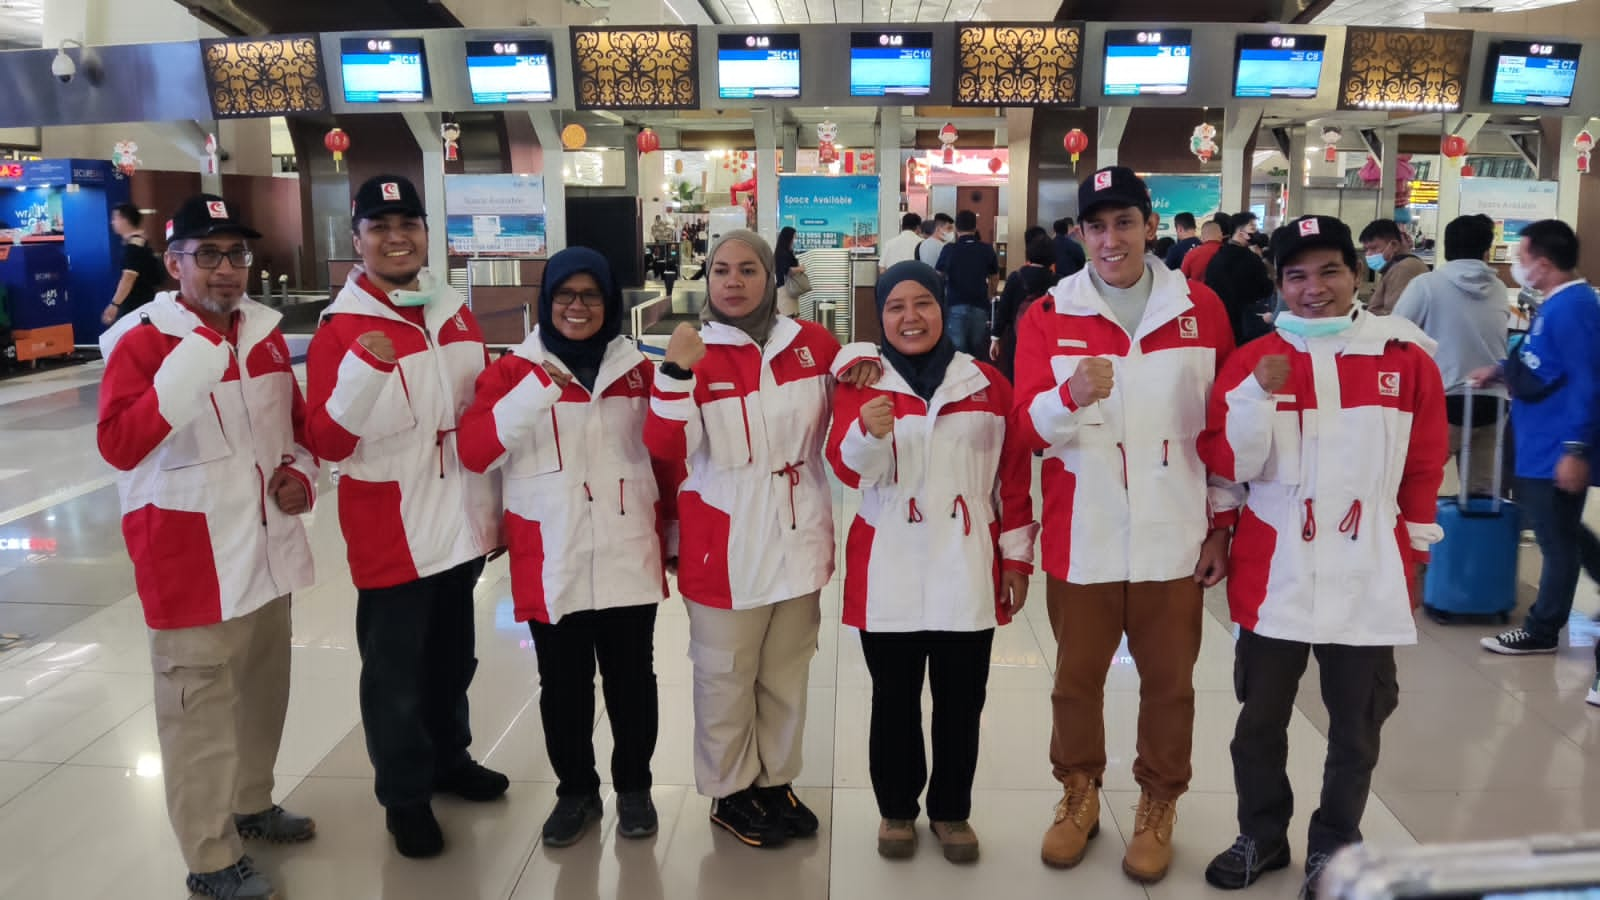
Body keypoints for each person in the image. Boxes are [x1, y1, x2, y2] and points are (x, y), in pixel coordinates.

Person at [1198, 214, 1447, 898]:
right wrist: (1256, 397)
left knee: (1357, 727)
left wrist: (1417, 553)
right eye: (1297, 276)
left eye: (1330, 271)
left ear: (1357, 273)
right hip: (1274, 567)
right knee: (1258, 722)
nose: (1315, 289)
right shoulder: (1251, 361)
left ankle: (1336, 845)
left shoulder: (1404, 356)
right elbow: (1224, 462)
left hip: (1367, 566)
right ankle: (1264, 833)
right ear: (1278, 284)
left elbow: (1425, 465)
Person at [1014, 167, 1237, 885]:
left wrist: (1221, 525)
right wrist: (1067, 395)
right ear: (1079, 234)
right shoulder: (1049, 313)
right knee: (1076, 680)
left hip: (1175, 530)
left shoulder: (1199, 308)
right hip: (1086, 530)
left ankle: (1157, 802)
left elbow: (1225, 425)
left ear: (1149, 224)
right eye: (1096, 226)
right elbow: (1024, 427)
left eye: (1125, 223)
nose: (1111, 240)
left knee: (1170, 682)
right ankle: (1077, 793)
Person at [96, 194, 318, 900]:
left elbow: (298, 431)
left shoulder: (267, 334)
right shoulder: (140, 339)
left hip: (264, 551)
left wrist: (303, 477)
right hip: (189, 560)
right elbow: (121, 445)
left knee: (262, 692)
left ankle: (252, 802)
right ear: (174, 263)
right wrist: (194, 359)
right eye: (209, 255)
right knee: (198, 714)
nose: (227, 271)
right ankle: (211, 858)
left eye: (237, 255)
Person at [644, 229, 877, 848]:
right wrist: (672, 373)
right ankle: (729, 788)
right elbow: (664, 449)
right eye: (721, 270)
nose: (734, 282)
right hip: (724, 541)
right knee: (725, 674)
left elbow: (853, 384)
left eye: (749, 270)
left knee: (786, 671)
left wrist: (861, 358)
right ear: (708, 278)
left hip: (798, 532)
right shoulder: (693, 350)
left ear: (771, 278)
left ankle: (774, 781)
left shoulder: (809, 343)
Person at [304, 175, 508, 859]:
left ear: (426, 233)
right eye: (380, 225)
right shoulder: (340, 329)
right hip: (392, 530)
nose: (396, 237)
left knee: (454, 659)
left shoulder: (453, 311)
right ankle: (405, 796)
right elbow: (327, 442)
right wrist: (363, 369)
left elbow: (476, 413)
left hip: (459, 521)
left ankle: (450, 760)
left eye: (409, 224)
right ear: (357, 239)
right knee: (395, 675)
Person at [458, 246, 681, 847]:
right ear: (545, 300)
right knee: (563, 684)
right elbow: (475, 451)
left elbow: (665, 455)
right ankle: (575, 792)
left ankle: (634, 788)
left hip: (626, 545)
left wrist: (675, 537)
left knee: (634, 679)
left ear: (609, 302)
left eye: (590, 295)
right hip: (550, 551)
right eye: (565, 295)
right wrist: (536, 391)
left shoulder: (639, 368)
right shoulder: (509, 372)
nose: (577, 307)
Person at [827, 260, 1038, 864]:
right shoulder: (860, 383)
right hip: (888, 557)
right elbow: (846, 471)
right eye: (895, 306)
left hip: (965, 562)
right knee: (892, 697)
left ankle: (951, 810)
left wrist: (1016, 559)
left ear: (942, 308)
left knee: (961, 698)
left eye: (922, 304)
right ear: (881, 316)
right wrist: (867, 434)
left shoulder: (987, 383)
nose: (909, 317)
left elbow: (1013, 477)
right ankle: (896, 808)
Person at [1473, 220, 1600, 656]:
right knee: (1559, 528)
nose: (1515, 265)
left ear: (1542, 264)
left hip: (1556, 446)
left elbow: (1587, 382)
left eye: (1520, 256)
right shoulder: (1558, 304)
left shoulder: (1575, 308)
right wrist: (1500, 370)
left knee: (1555, 539)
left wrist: (1575, 450)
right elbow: (1544, 363)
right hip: (1539, 442)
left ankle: (1542, 630)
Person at [1392, 213, 1510, 496]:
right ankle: (1475, 540)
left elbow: (1395, 334)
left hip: (1444, 400)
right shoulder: (1500, 289)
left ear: (1445, 248)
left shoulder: (1427, 285)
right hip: (1495, 401)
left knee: (1410, 481)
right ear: (1486, 250)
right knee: (1481, 494)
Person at [990, 233, 1060, 381]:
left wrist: (995, 338)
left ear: (1029, 254)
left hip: (1017, 338)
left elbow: (1004, 309)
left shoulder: (1016, 277)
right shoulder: (1058, 281)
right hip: (1047, 340)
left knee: (1015, 377)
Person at [935, 210, 999, 357]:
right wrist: (990, 295)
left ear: (956, 228)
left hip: (955, 304)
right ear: (975, 227)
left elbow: (938, 275)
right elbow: (994, 276)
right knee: (977, 351)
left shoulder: (949, 249)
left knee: (958, 353)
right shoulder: (986, 249)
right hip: (980, 305)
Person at [1205, 215, 1276, 345]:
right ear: (1240, 232)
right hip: (1247, 323)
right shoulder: (1251, 259)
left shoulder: (1217, 257)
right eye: (1253, 228)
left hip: (1219, 320)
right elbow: (1265, 289)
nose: (1256, 233)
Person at [101, 202, 165, 325]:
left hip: (134, 305)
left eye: (115, 218)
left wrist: (115, 304)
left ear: (125, 220)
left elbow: (128, 277)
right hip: (143, 302)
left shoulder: (133, 247)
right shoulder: (141, 241)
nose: (112, 222)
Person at [1360, 218, 1428, 316]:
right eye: (1366, 249)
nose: (1369, 254)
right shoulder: (1397, 267)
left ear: (1394, 245)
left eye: (1374, 248)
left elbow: (1395, 317)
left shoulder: (1404, 269)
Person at [1181, 217, 1227, 282]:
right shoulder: (1230, 253)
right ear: (1221, 234)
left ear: (1202, 236)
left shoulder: (1191, 254)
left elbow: (1182, 279)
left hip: (1198, 291)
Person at [774, 226, 805, 317]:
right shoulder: (783, 253)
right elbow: (786, 270)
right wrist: (800, 268)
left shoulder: (786, 252)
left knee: (793, 316)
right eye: (794, 237)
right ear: (788, 237)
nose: (795, 240)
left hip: (789, 290)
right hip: (785, 290)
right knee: (788, 318)